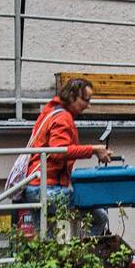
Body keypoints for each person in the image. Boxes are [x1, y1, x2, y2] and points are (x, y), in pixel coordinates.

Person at [24, 78, 112, 236]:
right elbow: (58, 151)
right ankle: (81, 256)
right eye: (86, 100)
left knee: (51, 238)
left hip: (36, 185)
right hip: (49, 188)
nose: (88, 105)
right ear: (72, 96)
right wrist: (93, 150)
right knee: (99, 218)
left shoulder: (51, 111)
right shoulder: (62, 117)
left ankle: (64, 256)